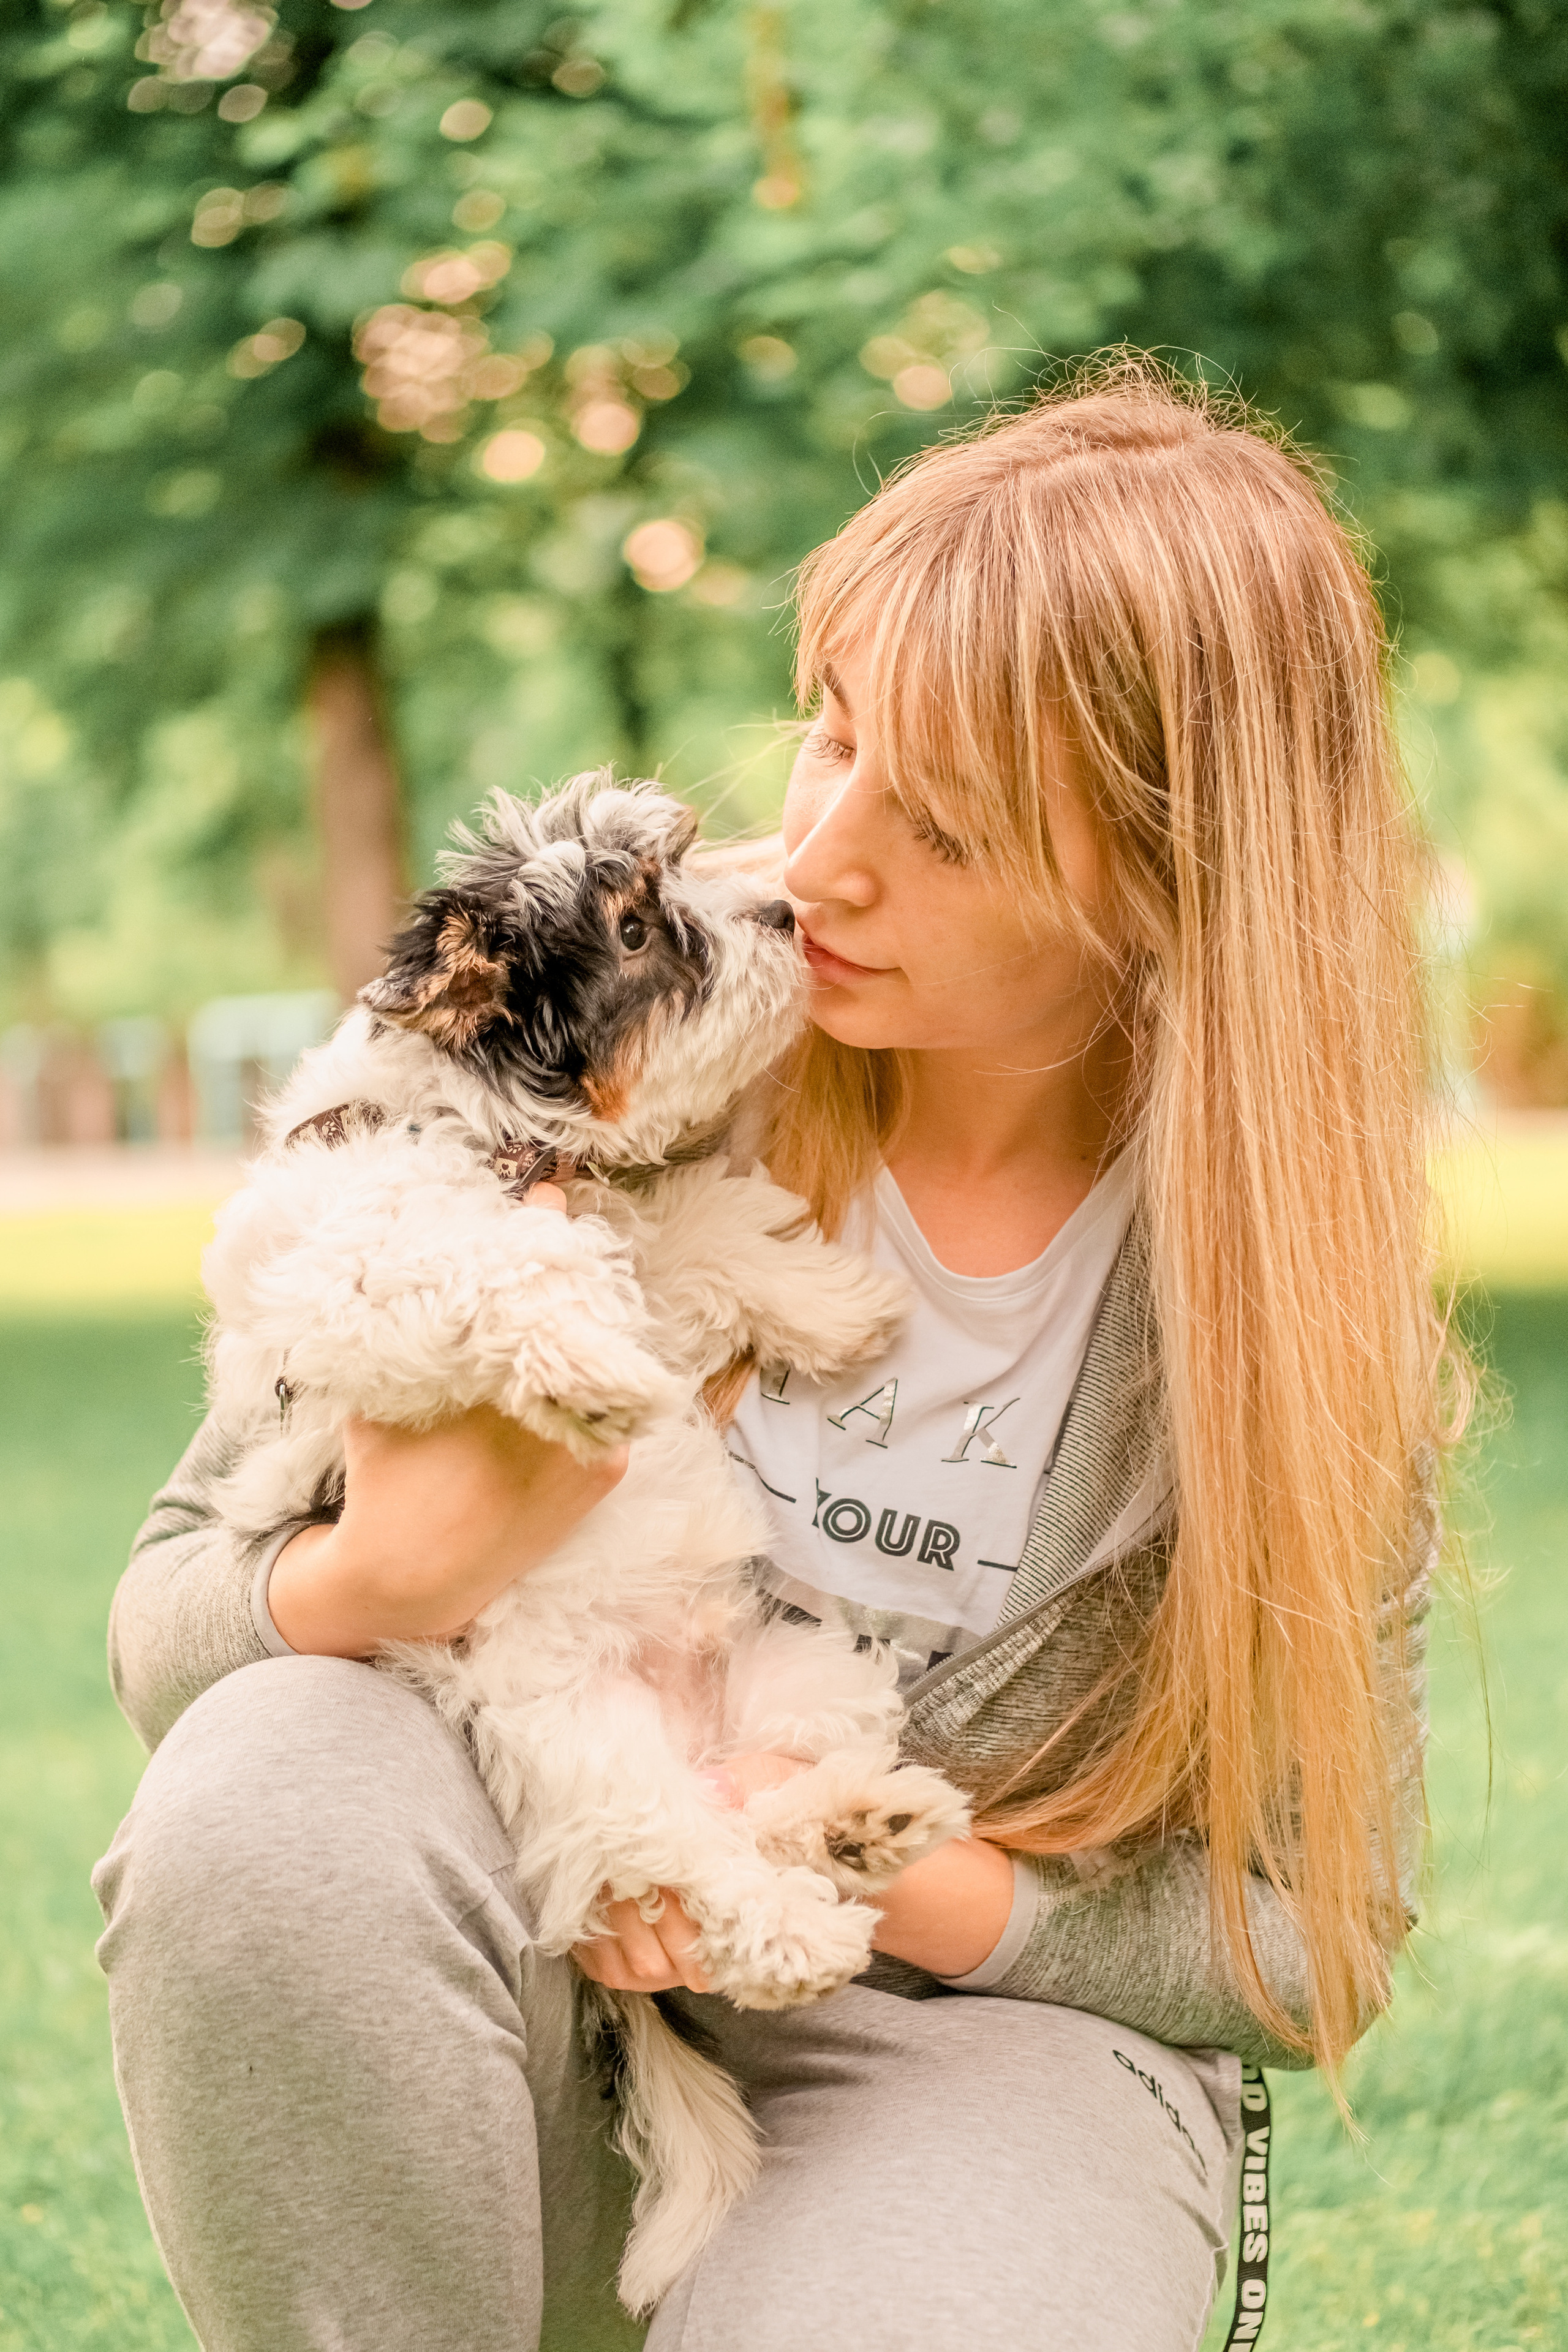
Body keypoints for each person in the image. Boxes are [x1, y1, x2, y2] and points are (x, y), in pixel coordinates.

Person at [93, 360, 1457, 2352]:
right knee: (269, 1794)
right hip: (508, 1971)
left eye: (950, 824)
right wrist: (373, 1578)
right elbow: (167, 1623)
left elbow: (1309, 1944)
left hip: (975, 2066)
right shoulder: (621, 1053)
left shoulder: (1279, 1317)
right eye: (831, 731)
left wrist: (872, 1871)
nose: (817, 858)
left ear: (1172, 877)